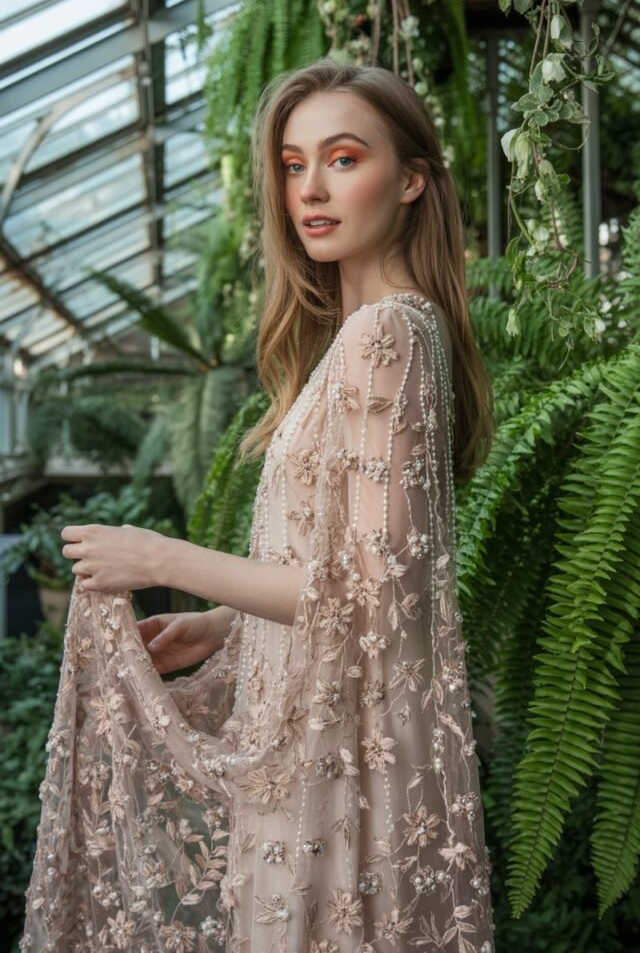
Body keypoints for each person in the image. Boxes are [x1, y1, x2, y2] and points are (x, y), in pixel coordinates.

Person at [21, 58, 496, 952]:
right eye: (291, 164)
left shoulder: (385, 334)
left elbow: (376, 596)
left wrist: (159, 559)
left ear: (413, 180)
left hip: (343, 770)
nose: (310, 188)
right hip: (324, 754)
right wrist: (230, 626)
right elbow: (357, 572)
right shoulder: (372, 335)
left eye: (344, 158)